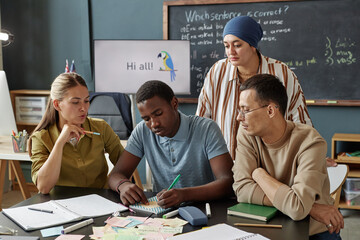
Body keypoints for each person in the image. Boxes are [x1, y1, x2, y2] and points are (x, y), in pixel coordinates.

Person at [232, 74, 343, 239]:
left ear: (270, 110)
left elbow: (297, 209)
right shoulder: (247, 133)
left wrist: (258, 174)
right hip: (270, 225)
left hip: (312, 232)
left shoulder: (310, 142)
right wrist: (310, 208)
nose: (239, 117)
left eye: (246, 110)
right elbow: (241, 189)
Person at [196, 15, 312, 161]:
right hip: (224, 164)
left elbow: (299, 120)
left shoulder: (281, 73)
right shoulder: (216, 71)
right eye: (226, 45)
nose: (230, 52)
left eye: (237, 45)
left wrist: (311, 153)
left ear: (253, 45)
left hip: (271, 163)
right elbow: (202, 119)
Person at [108, 80, 234, 208]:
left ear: (174, 104)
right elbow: (115, 175)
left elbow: (228, 182)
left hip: (207, 209)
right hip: (165, 212)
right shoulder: (142, 131)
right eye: (146, 119)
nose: (154, 124)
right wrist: (123, 185)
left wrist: (184, 195)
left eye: (158, 114)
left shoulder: (206, 128)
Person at [29, 73, 124, 194]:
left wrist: (113, 184)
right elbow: (43, 187)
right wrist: (60, 142)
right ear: (57, 104)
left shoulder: (101, 128)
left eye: (86, 101)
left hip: (99, 201)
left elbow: (124, 165)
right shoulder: (41, 138)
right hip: (61, 205)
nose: (84, 108)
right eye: (75, 102)